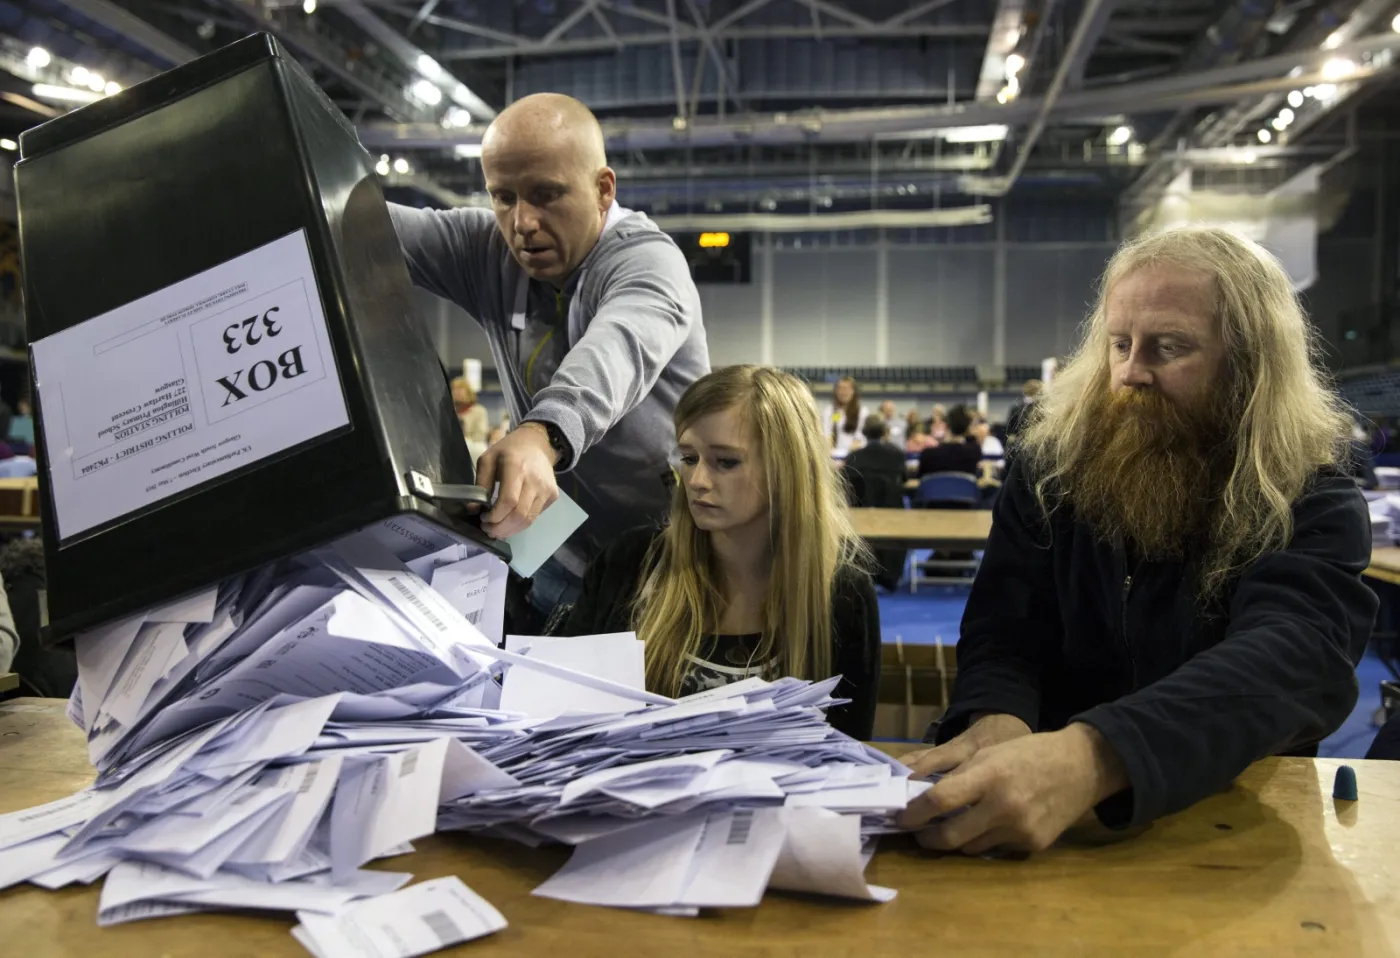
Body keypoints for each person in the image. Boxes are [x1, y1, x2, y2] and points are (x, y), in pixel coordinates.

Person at [899, 226, 1376, 854]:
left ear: (1249, 366)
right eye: (1120, 344)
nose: (1130, 373)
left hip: (1230, 822)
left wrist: (1099, 755)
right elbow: (1005, 629)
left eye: (1168, 348)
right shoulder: (1051, 469)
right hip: (1042, 820)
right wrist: (997, 718)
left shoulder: (1310, 495)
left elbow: (1294, 658)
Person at [388, 93, 709, 616]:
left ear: (603, 189)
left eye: (546, 194)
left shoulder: (649, 264)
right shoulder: (487, 250)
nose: (522, 222)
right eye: (503, 197)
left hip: (665, 563)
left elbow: (617, 350)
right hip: (554, 557)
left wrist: (542, 435)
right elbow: (357, 225)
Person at [553, 365, 881, 739]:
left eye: (725, 462)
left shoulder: (841, 593)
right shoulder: (630, 564)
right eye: (689, 458)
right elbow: (564, 711)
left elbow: (851, 747)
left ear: (786, 469)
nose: (697, 481)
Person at [845, 414, 908, 501]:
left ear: (864, 432)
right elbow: (904, 479)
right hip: (892, 505)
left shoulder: (854, 457)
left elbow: (848, 483)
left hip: (862, 506)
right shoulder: (897, 455)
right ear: (884, 432)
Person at [917, 404, 981, 477]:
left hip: (938, 485)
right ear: (968, 430)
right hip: (961, 485)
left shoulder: (928, 454)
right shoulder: (973, 452)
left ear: (946, 426)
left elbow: (920, 479)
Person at [821, 377, 866, 455]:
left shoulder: (862, 412)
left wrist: (848, 456)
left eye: (846, 389)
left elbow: (860, 438)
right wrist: (831, 454)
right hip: (834, 456)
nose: (843, 392)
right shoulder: (829, 411)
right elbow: (827, 434)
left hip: (855, 455)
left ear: (853, 391)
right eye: (840, 388)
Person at [451, 376, 490, 462]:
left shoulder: (479, 411)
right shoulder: (448, 411)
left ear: (468, 392)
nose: (457, 392)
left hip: (472, 446)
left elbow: (480, 434)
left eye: (461, 389)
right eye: (455, 389)